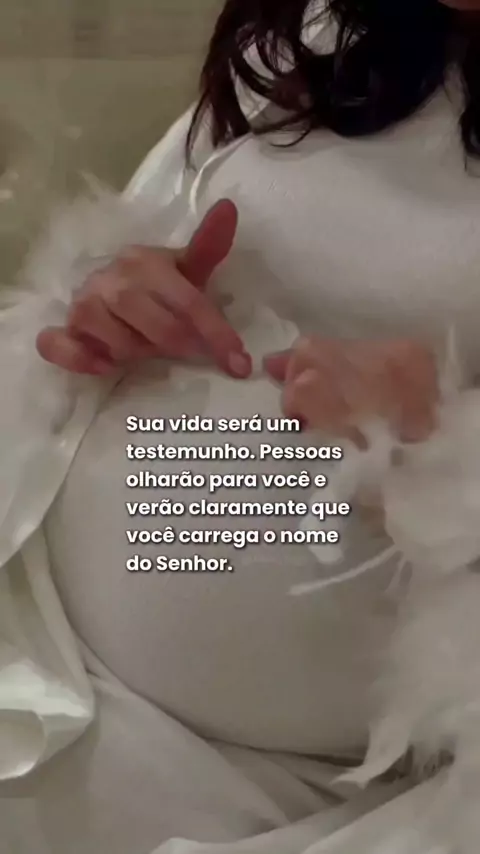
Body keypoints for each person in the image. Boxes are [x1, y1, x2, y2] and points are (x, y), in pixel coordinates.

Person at [1, 0, 480, 852]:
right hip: (46, 651)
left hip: (333, 797)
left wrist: (443, 446)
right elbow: (147, 234)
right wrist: (117, 294)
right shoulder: (324, 32)